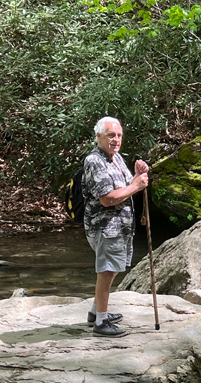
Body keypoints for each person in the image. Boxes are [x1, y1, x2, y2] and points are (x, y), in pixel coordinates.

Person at [82, 116, 149, 337]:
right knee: (107, 271)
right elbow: (108, 198)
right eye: (111, 135)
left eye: (119, 135)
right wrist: (137, 186)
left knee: (110, 271)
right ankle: (101, 323)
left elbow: (126, 186)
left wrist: (138, 176)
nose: (116, 139)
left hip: (118, 227)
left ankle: (96, 312)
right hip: (105, 227)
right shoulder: (94, 161)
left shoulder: (116, 157)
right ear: (99, 136)